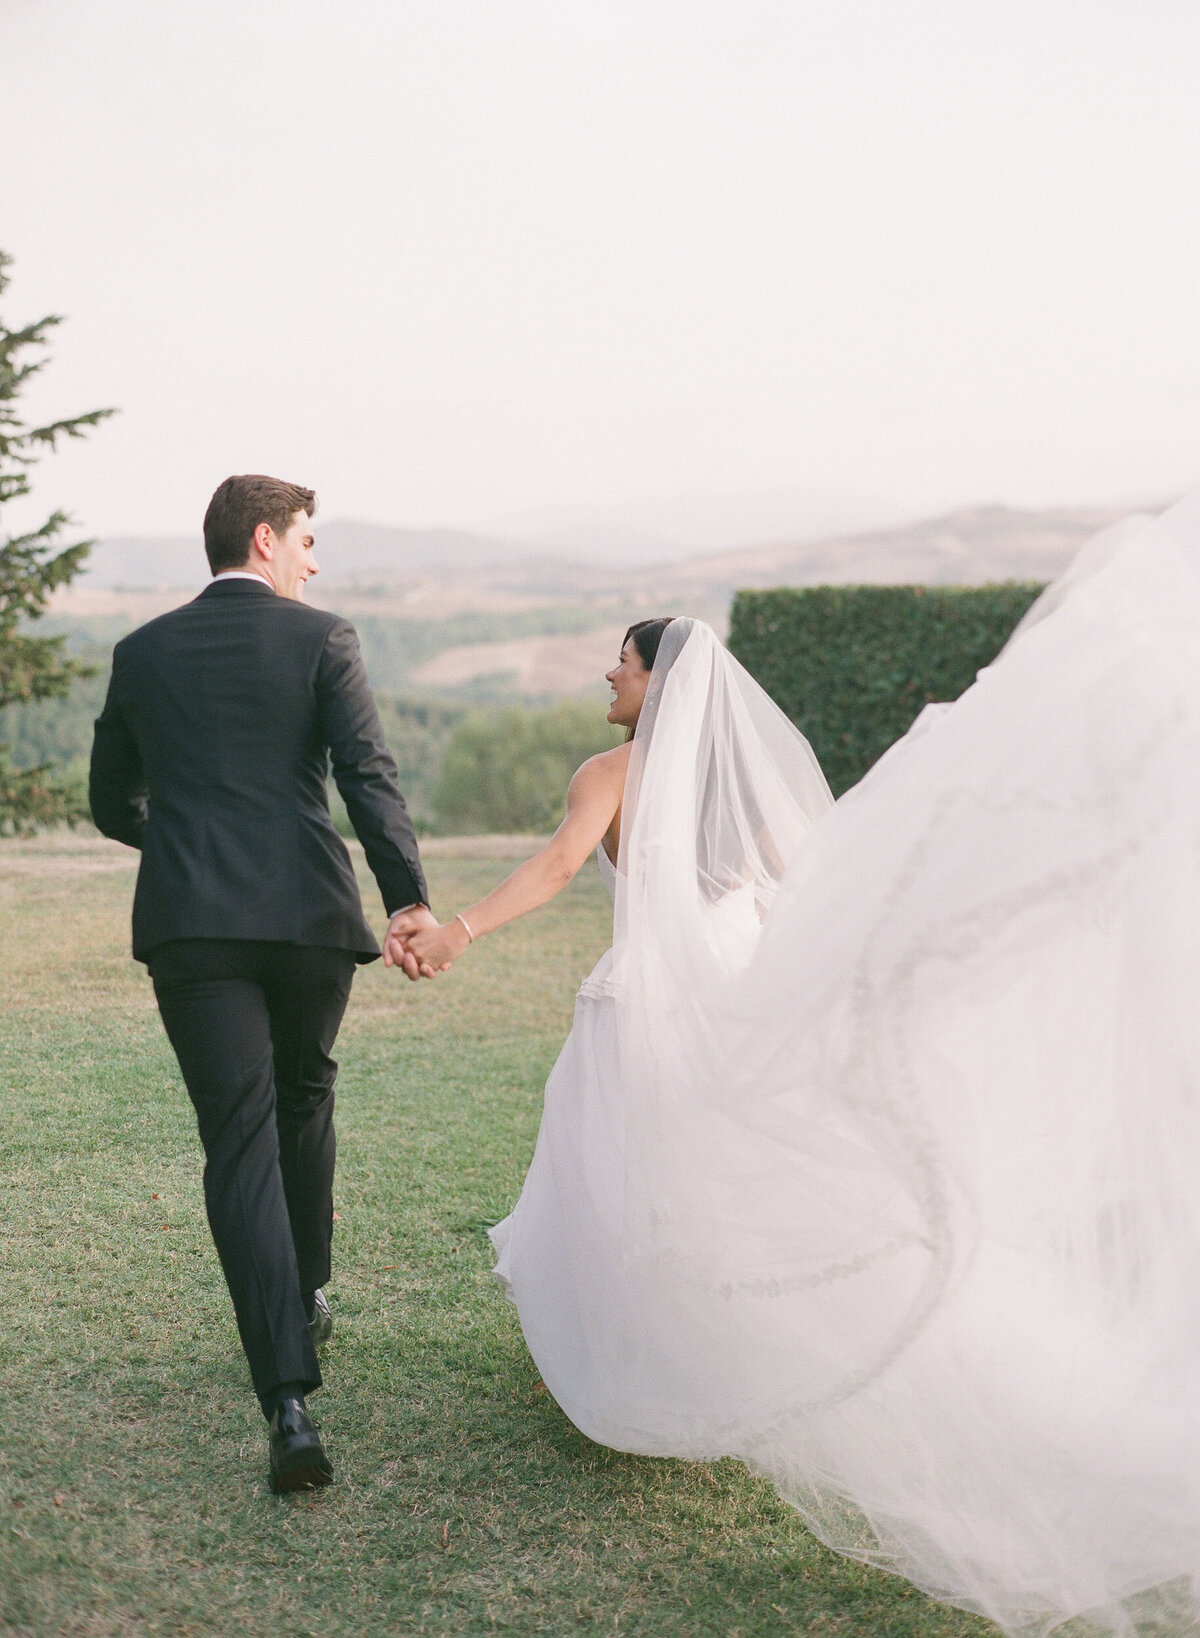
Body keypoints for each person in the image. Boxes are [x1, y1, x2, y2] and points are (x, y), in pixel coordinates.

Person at [391, 495, 1200, 1638]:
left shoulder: (609, 774)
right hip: (736, 985)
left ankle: (640, 1363)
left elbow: (560, 867)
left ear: (655, 684)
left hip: (648, 1002)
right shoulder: (735, 783)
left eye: (617, 670)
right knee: (716, 1178)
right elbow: (814, 885)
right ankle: (710, 1356)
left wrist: (462, 931)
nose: (605, 686)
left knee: (617, 1177)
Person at [89, 474, 438, 1493]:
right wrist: (407, 896)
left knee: (238, 1137)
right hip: (308, 921)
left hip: (193, 928)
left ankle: (287, 1401)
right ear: (264, 537)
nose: (314, 562)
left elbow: (113, 800)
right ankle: (310, 1294)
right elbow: (368, 776)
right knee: (304, 1098)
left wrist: (185, 846)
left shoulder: (141, 651)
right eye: (307, 540)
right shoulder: (324, 638)